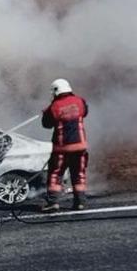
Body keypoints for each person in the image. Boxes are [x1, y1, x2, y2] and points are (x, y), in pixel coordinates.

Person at [41, 78, 89, 212]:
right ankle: (80, 203)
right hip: (80, 147)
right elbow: (85, 112)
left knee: (55, 174)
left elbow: (46, 124)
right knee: (79, 174)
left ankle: (53, 203)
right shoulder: (80, 101)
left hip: (61, 149)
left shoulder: (53, 107)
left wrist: (46, 112)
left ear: (55, 91)